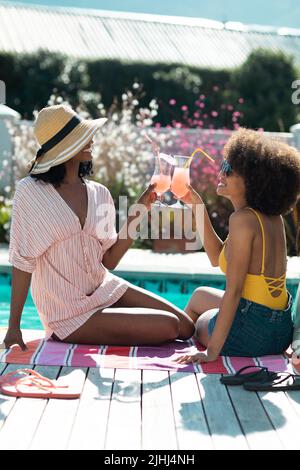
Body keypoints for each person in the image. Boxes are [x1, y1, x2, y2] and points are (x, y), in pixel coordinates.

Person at [4, 105, 194, 350]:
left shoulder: (99, 193)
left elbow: (109, 261)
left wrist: (140, 210)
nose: (91, 139)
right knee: (169, 326)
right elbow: (22, 262)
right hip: (67, 313)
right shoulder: (30, 192)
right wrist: (13, 327)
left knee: (186, 326)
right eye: (82, 136)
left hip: (104, 289)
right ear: (65, 147)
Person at [176, 128, 300, 365]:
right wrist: (197, 206)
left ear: (253, 181)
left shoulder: (243, 221)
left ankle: (175, 350)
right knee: (198, 295)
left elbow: (233, 292)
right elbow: (217, 258)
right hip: (280, 328)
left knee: (196, 323)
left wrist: (211, 352)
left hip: (253, 330)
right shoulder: (270, 219)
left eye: (228, 169)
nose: (221, 172)